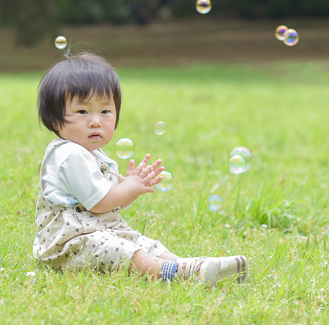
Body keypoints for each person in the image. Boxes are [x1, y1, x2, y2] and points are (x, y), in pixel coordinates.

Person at [33, 50, 249, 286]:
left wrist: (130, 187)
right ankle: (179, 273)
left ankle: (194, 266)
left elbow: (112, 204)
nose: (96, 120)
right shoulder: (69, 155)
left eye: (105, 111)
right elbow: (99, 203)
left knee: (144, 244)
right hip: (69, 244)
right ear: (55, 120)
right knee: (123, 251)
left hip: (99, 231)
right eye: (83, 111)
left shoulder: (92, 153)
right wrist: (130, 186)